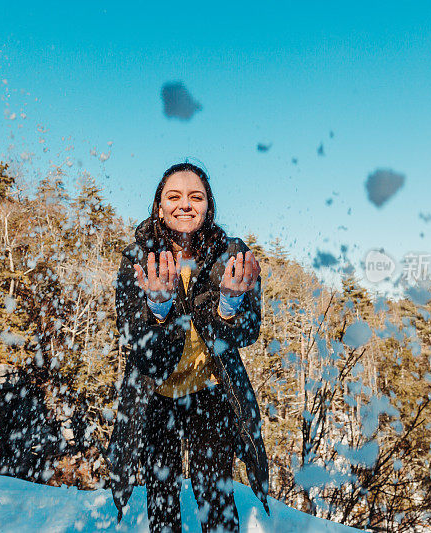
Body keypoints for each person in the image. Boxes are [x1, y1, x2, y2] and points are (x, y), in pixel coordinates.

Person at [104, 162, 270, 533]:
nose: (185, 205)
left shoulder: (231, 255)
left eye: (196, 197)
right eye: (173, 196)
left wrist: (229, 307)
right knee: (161, 496)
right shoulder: (137, 258)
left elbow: (249, 331)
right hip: (155, 394)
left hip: (210, 392)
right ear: (159, 207)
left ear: (208, 205)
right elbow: (132, 337)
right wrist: (157, 310)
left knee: (215, 495)